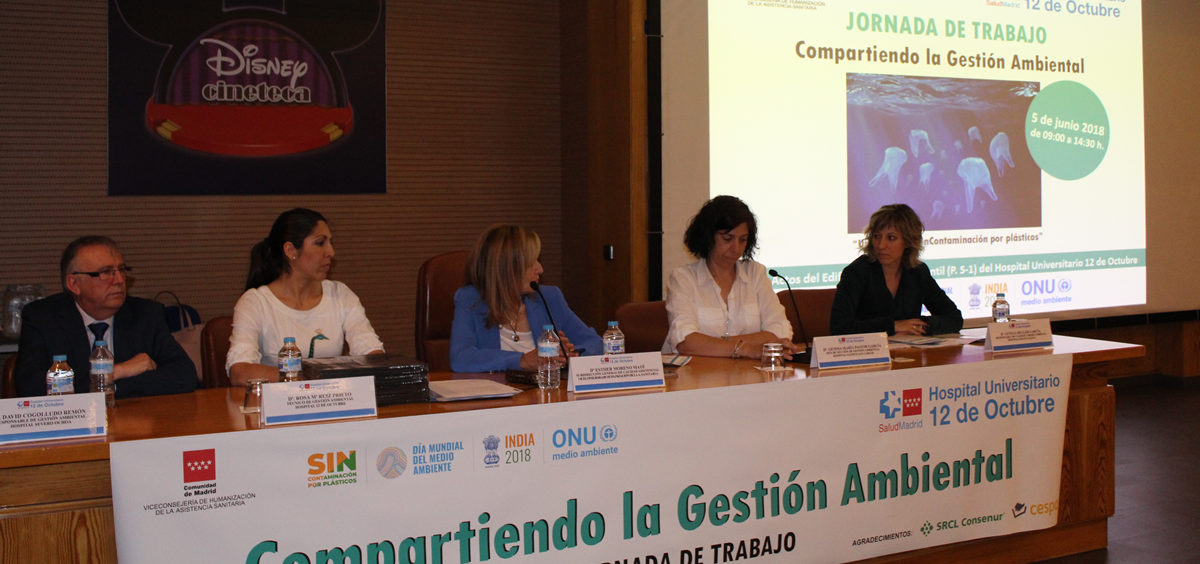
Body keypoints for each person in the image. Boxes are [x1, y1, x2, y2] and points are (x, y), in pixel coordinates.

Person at [14, 236, 197, 398]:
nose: (119, 280)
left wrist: (113, 387)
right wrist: (118, 371)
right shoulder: (43, 318)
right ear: (74, 284)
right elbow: (32, 387)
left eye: (121, 270)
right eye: (106, 272)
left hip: (133, 421)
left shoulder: (146, 314)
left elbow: (184, 375)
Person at [226, 208, 384, 386]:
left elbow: (372, 353)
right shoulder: (255, 302)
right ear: (290, 250)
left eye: (330, 243)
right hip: (279, 400)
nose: (331, 252)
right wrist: (312, 378)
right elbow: (240, 372)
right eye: (320, 243)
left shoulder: (341, 295)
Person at [450, 224, 602, 372]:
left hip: (545, 387)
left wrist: (569, 354)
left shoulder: (550, 298)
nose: (540, 269)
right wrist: (522, 360)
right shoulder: (469, 300)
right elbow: (460, 358)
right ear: (506, 268)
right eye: (531, 263)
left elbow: (595, 343)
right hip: (494, 389)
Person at [664, 196, 797, 359]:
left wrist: (715, 344)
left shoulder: (755, 273)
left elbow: (780, 330)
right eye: (727, 239)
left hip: (749, 371)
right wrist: (748, 349)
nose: (736, 248)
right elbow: (685, 341)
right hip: (699, 372)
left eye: (743, 240)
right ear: (708, 237)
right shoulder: (684, 278)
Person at [830, 203, 963, 336]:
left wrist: (919, 326)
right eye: (877, 237)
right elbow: (839, 327)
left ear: (908, 241)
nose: (881, 245)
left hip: (908, 348)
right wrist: (894, 326)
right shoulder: (857, 272)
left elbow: (954, 318)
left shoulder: (917, 272)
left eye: (891, 238)